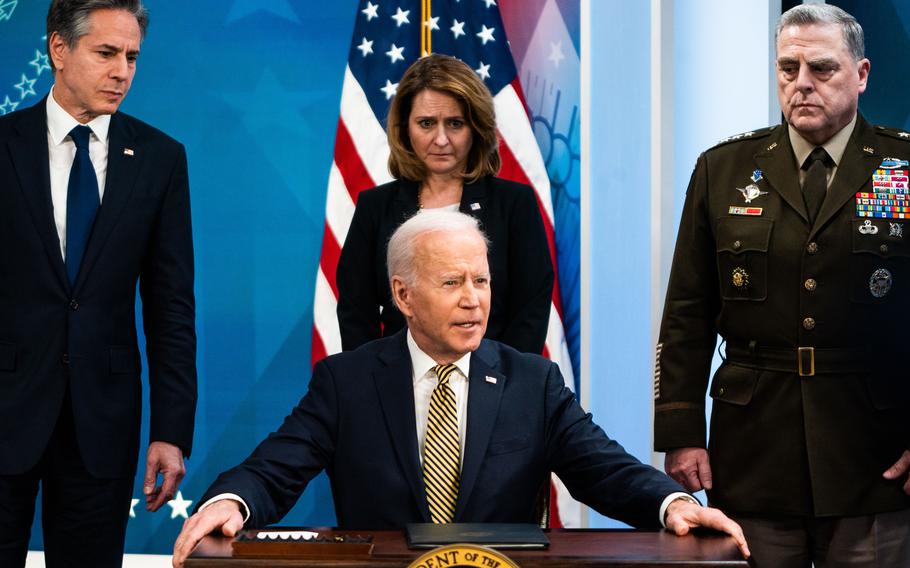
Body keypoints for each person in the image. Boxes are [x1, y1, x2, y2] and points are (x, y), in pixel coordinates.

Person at [172, 210, 749, 567]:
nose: (474, 299)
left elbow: (603, 468)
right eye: (452, 282)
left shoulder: (533, 381)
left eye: (482, 280)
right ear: (403, 296)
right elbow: (278, 466)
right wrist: (230, 500)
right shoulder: (347, 382)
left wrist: (671, 504)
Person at [654, 4, 910, 567]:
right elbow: (687, 312)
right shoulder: (722, 169)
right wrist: (681, 429)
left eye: (821, 69)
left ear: (862, 75)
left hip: (874, 447)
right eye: (787, 69)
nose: (801, 84)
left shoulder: (903, 165)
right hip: (753, 447)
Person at [0, 1, 197, 566]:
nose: (123, 72)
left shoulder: (160, 159)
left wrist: (171, 431)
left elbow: (171, 308)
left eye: (132, 57)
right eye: (106, 53)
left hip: (102, 420)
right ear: (58, 50)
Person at [336, 54, 553, 355]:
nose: (440, 139)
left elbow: (530, 312)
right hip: (396, 388)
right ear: (404, 128)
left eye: (454, 123)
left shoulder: (514, 205)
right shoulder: (375, 207)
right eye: (426, 123)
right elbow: (356, 314)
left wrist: (500, 386)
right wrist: (375, 386)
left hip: (494, 388)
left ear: (475, 127)